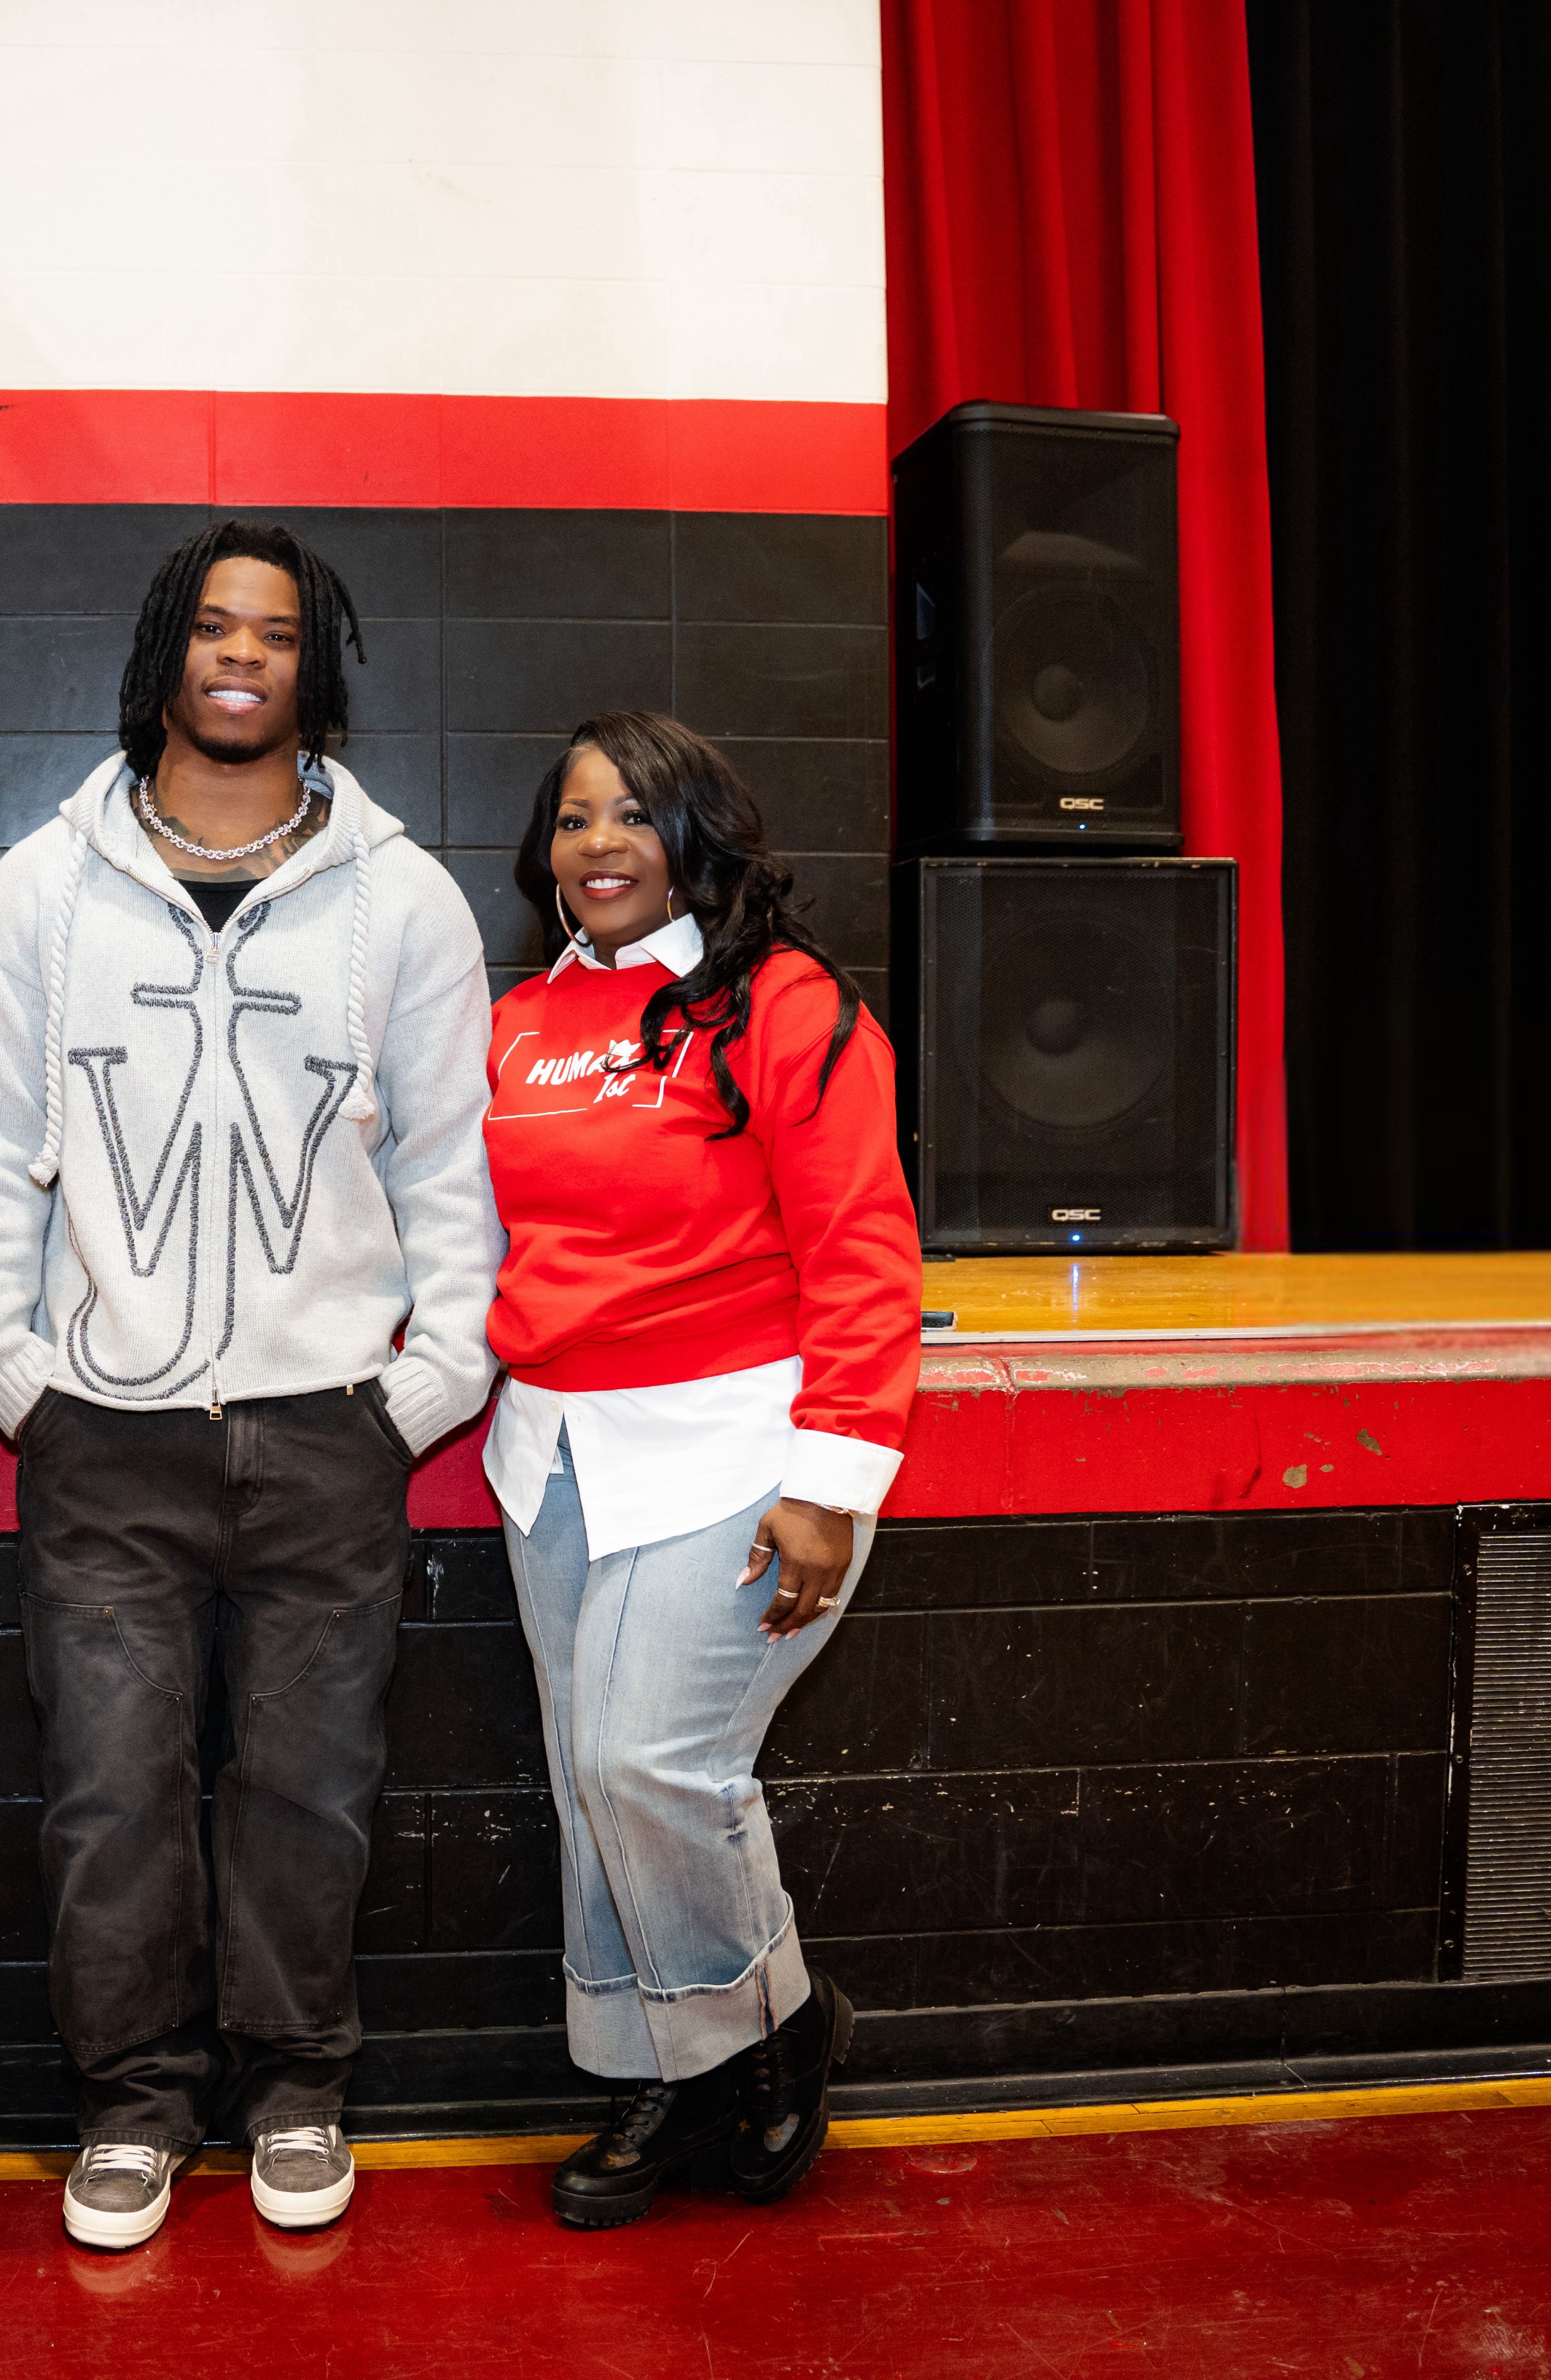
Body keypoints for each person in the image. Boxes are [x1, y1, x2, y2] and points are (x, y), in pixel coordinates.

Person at [0, 520, 500, 2251]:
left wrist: (419, 1389)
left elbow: (448, 1171)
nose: (241, 655)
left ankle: (295, 2086)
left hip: (328, 1430)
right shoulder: (41, 891)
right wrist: (19, 1378)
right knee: (109, 1794)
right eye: (212, 626)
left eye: (273, 631)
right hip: (101, 1439)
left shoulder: (402, 899)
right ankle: (129, 2103)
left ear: (311, 665)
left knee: (307, 1791)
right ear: (163, 654)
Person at [480, 711, 922, 2231]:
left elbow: (863, 1249)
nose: (598, 843)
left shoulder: (788, 1006)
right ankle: (654, 2071)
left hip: (737, 1449)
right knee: (584, 1784)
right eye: (572, 818)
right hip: (553, 1454)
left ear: (696, 836)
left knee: (648, 1764)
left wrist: (831, 1483)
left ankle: (774, 2025)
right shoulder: (520, 1021)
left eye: (632, 813)